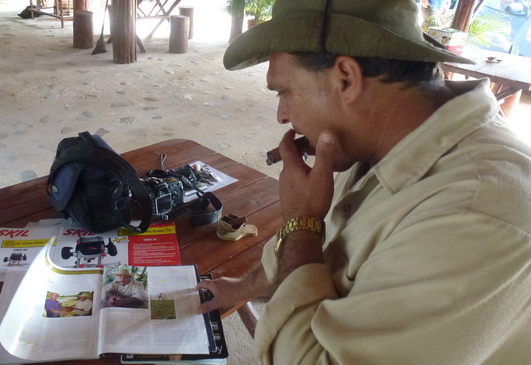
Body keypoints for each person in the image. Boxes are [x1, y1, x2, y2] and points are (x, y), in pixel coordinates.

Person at [195, 0, 531, 363]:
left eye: (284, 92)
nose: (282, 116)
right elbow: (331, 253)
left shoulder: (476, 214)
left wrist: (301, 224)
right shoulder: (381, 142)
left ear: (346, 79)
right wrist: (242, 288)